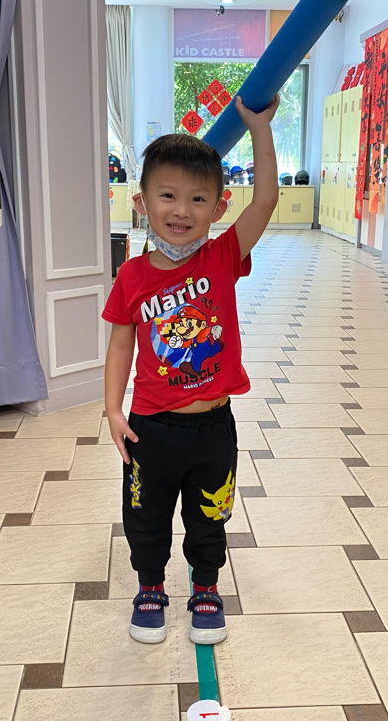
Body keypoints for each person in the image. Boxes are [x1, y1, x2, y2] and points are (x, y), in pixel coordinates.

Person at [102, 95, 279, 646]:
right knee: (145, 518)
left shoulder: (222, 258)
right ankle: (150, 588)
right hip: (150, 427)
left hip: (212, 427)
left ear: (218, 208)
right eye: (168, 195)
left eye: (198, 199)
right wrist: (112, 410)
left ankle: (206, 588)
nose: (181, 211)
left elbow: (266, 199)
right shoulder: (131, 276)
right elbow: (121, 346)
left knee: (210, 515)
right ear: (141, 202)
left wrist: (260, 129)